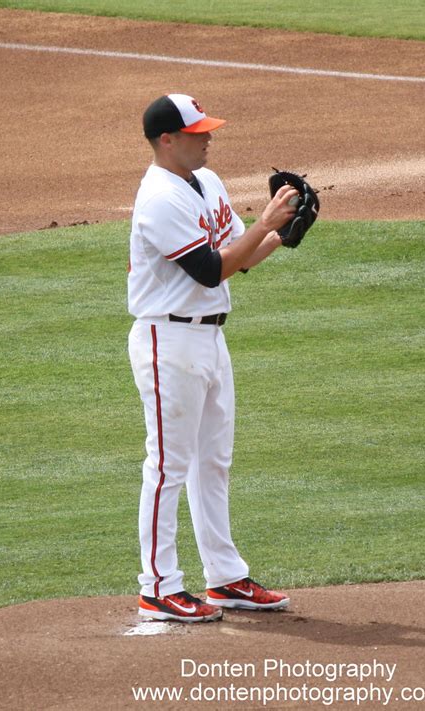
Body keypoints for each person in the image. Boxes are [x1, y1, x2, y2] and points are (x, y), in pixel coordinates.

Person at [128, 93, 298, 623]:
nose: (208, 138)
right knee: (167, 467)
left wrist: (284, 230)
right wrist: (264, 220)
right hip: (167, 340)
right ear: (166, 140)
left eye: (208, 130)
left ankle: (225, 578)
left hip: (210, 339)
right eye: (198, 132)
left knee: (213, 463)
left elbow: (237, 258)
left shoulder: (208, 182)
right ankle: (158, 586)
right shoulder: (159, 198)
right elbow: (208, 270)